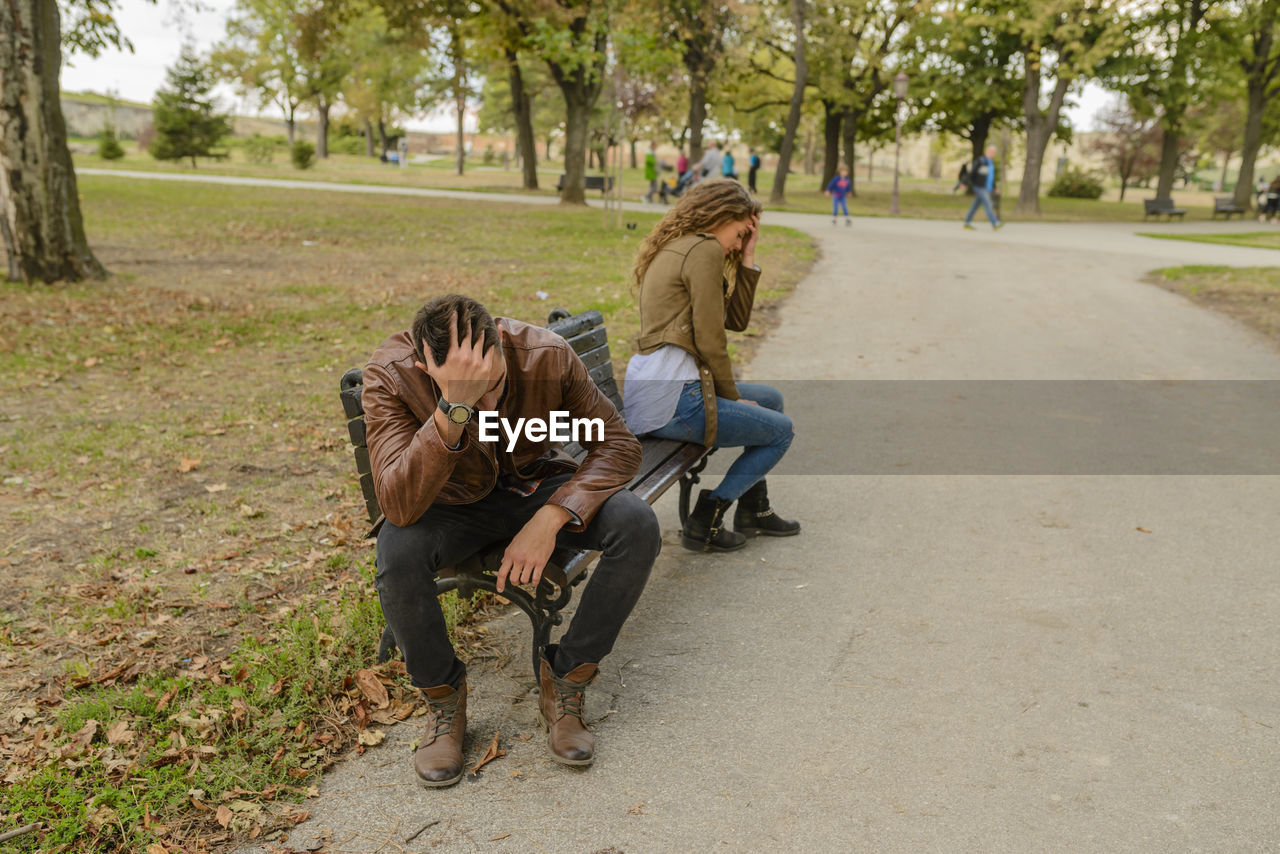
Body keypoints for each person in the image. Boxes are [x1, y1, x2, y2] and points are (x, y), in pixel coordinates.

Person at [363, 294, 660, 787]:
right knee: (397, 551)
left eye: (491, 385)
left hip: (533, 489)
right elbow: (398, 505)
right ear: (423, 365)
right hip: (449, 502)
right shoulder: (393, 373)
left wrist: (551, 517)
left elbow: (618, 445)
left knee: (636, 521)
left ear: (499, 340)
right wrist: (451, 408)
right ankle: (443, 703)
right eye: (465, 395)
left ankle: (565, 681)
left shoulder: (544, 355)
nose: (485, 406)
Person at [624, 180, 800, 553]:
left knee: (770, 399)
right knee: (781, 431)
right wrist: (732, 397)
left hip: (664, 391)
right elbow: (710, 339)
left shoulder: (685, 245)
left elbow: (733, 321)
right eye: (739, 234)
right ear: (720, 216)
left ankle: (753, 510)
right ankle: (709, 514)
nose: (738, 244)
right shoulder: (702, 250)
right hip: (673, 400)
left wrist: (749, 257)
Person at [964, 145, 1003, 231]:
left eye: (993, 152)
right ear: (987, 152)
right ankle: (995, 223)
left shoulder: (990, 163)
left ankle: (966, 223)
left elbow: (991, 177)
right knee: (988, 204)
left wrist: (995, 187)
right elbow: (972, 173)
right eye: (990, 152)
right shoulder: (981, 161)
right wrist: (965, 183)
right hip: (980, 187)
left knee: (975, 206)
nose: (992, 154)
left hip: (987, 187)